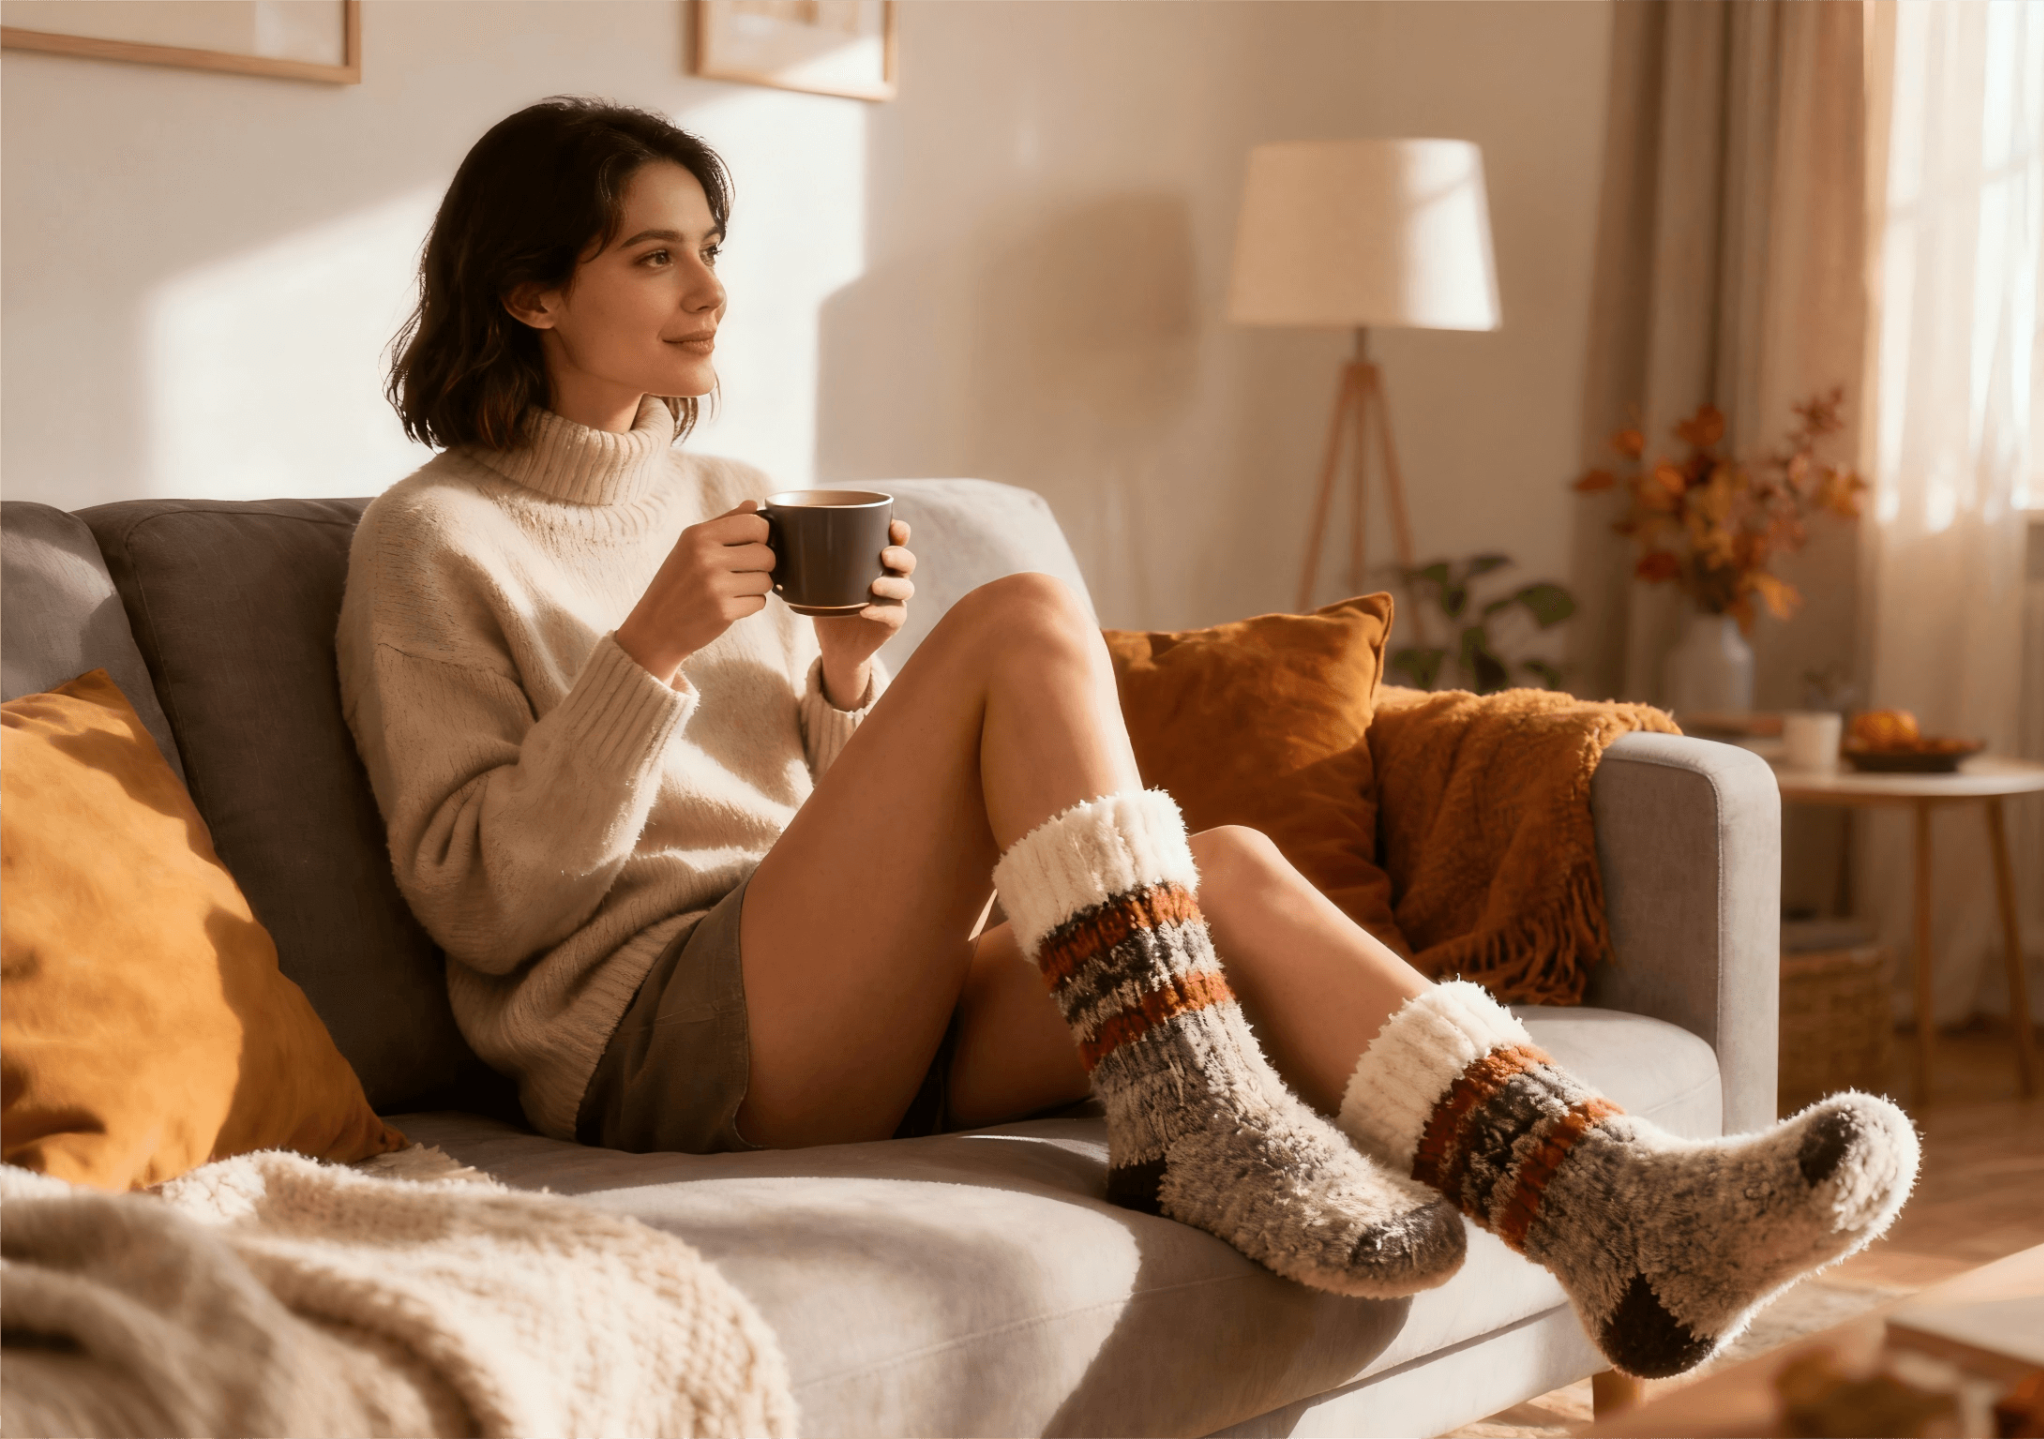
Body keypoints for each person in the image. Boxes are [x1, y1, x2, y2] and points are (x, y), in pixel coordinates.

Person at [339, 97, 1918, 1378]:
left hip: (824, 994)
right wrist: (648, 653)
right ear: (532, 290)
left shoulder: (720, 489)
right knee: (1024, 615)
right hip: (650, 1039)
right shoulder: (435, 545)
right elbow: (487, 901)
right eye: (655, 257)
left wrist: (841, 673)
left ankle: (1617, 1203)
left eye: (712, 251)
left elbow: (811, 838)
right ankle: (1197, 1117)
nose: (710, 291)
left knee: (1223, 866)